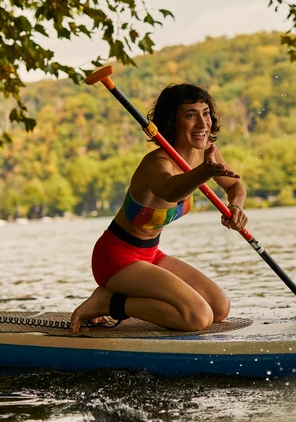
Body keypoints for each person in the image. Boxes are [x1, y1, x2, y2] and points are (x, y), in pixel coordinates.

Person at [70, 83, 248, 332]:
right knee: (197, 317)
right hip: (116, 258)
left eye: (206, 113)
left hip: (151, 255)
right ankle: (108, 302)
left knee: (219, 308)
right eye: (190, 115)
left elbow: (236, 187)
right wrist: (204, 173)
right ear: (172, 121)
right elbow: (170, 190)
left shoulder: (205, 156)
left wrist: (236, 207)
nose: (202, 123)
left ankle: (116, 297)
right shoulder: (157, 163)